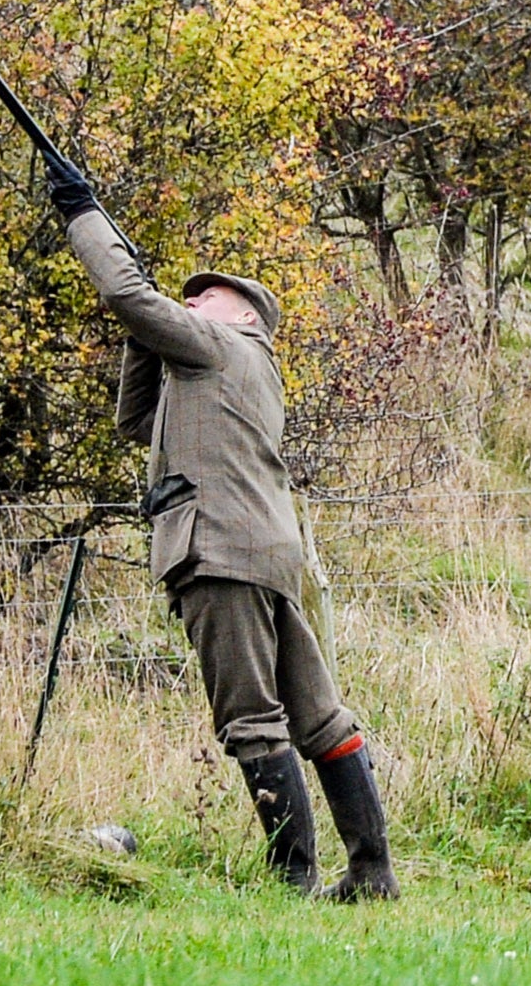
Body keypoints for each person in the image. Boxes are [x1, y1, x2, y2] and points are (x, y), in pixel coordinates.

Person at [47, 165, 395, 901]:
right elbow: (138, 421)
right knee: (320, 716)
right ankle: (371, 874)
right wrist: (146, 330)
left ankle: (291, 885)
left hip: (219, 553)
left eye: (209, 296)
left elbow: (121, 294)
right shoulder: (228, 370)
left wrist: (86, 217)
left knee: (251, 721)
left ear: (244, 318)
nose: (193, 299)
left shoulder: (222, 348)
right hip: (265, 552)